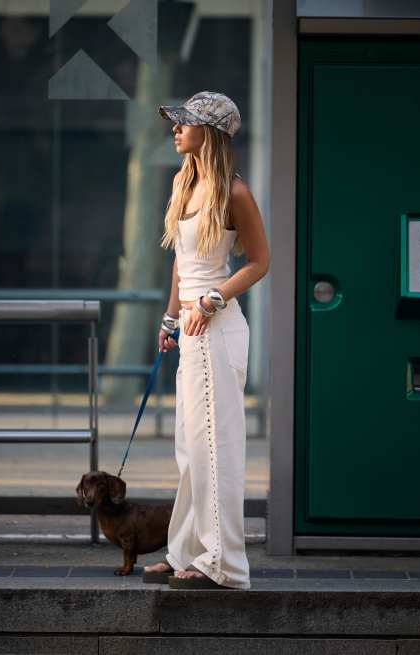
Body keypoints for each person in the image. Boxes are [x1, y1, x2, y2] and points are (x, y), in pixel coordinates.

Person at [143, 91, 270, 590]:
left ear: (209, 133)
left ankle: (223, 564)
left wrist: (212, 300)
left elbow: (260, 262)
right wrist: (170, 317)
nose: (175, 129)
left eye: (185, 122)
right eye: (175, 122)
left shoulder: (234, 192)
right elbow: (183, 261)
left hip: (218, 330)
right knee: (190, 450)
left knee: (216, 450)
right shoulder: (184, 182)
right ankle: (185, 552)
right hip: (192, 330)